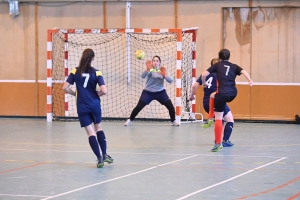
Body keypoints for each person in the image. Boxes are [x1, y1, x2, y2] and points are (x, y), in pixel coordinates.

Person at [63, 48, 113, 168]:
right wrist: (99, 93)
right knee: (98, 128)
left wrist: (75, 93)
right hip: (95, 105)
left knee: (91, 133)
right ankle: (105, 154)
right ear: (93, 59)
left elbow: (65, 87)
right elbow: (104, 91)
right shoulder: (97, 72)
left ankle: (99, 158)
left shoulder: (75, 71)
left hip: (82, 106)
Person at [201, 49, 253, 152]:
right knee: (213, 95)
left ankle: (217, 143)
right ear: (229, 57)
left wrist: (204, 83)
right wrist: (249, 80)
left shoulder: (217, 65)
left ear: (219, 57)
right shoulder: (234, 65)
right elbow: (243, 71)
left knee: (219, 118)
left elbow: (204, 74)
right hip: (233, 93)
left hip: (222, 94)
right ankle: (211, 119)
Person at [189, 58, 235, 148]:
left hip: (206, 103)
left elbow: (194, 85)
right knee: (230, 120)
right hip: (217, 100)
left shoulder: (205, 75)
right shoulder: (220, 76)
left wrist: (191, 96)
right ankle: (224, 141)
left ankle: (217, 139)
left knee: (219, 120)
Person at [124, 55, 179, 126]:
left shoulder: (163, 70)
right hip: (148, 92)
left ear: (160, 63)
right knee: (139, 107)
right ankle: (130, 120)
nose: (155, 62)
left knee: (170, 107)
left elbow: (171, 80)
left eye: (157, 61)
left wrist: (165, 76)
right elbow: (143, 76)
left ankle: (173, 121)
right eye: (154, 61)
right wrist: (147, 69)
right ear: (152, 62)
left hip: (160, 92)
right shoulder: (150, 70)